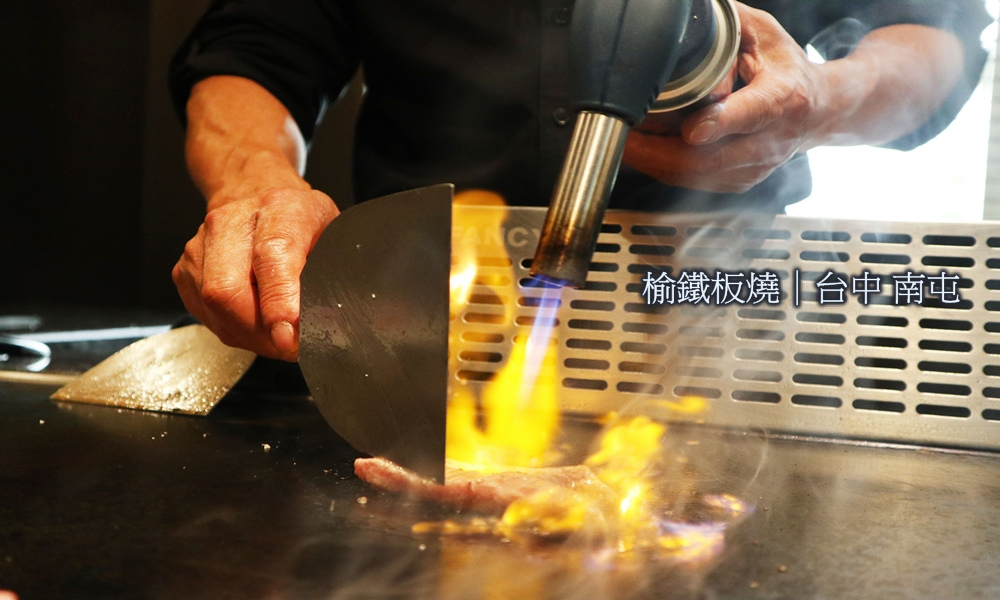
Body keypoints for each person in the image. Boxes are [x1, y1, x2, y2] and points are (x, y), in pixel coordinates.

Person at [168, 0, 991, 361]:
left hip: (719, 313)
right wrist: (255, 182)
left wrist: (820, 100)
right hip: (417, 319)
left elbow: (936, 38)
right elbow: (253, 48)